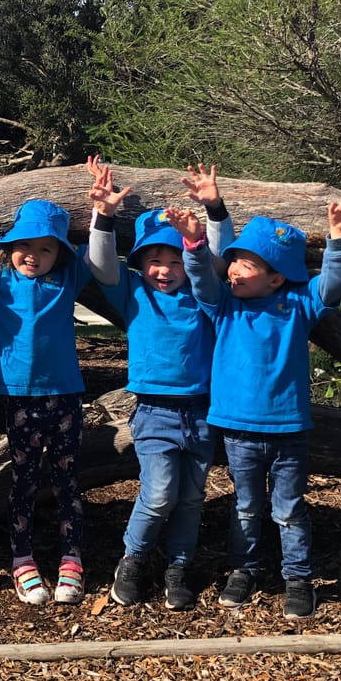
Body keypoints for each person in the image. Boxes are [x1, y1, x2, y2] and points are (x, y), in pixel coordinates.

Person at [171, 190, 341, 619]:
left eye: (248, 264)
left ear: (276, 278)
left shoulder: (296, 305)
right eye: (235, 260)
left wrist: (337, 237)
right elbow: (202, 278)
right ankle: (245, 569)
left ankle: (298, 578)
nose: (235, 270)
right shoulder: (223, 307)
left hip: (288, 429)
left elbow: (332, 284)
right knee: (246, 504)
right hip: (238, 429)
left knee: (289, 509)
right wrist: (195, 244)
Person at [0, 164, 122, 606]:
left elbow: (100, 262)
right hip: (18, 397)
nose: (33, 255)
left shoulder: (66, 278)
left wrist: (101, 212)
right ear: (9, 248)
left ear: (58, 255)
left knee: (66, 480)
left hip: (63, 391)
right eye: (24, 245)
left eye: (45, 248)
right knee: (23, 479)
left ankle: (72, 559)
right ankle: (22, 560)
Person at [92, 164, 233, 611]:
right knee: (158, 494)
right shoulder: (134, 292)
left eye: (175, 260)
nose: (165, 269)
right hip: (154, 412)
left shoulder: (206, 295)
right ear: (140, 263)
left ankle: (178, 566)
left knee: (191, 498)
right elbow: (100, 264)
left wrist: (212, 208)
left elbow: (219, 257)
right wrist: (103, 216)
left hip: (202, 411)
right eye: (155, 259)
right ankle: (132, 560)